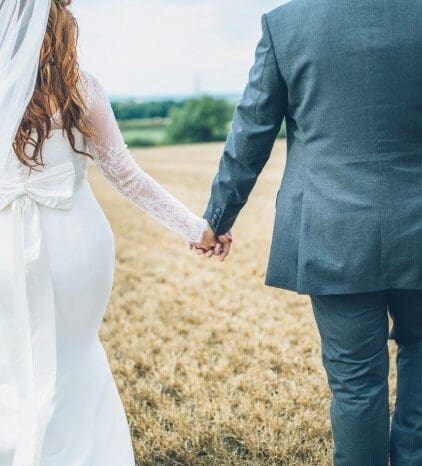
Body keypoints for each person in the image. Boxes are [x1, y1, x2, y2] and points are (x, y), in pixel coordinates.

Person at [0, 1, 229, 465]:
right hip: (76, 248)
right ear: (61, 28)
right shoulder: (80, 89)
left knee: (13, 362)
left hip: (5, 243)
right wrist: (196, 228)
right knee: (76, 357)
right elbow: (126, 176)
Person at [195, 1, 422, 465]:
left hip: (333, 230)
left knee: (355, 383)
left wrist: (218, 218)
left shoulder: (286, 24)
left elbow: (252, 130)